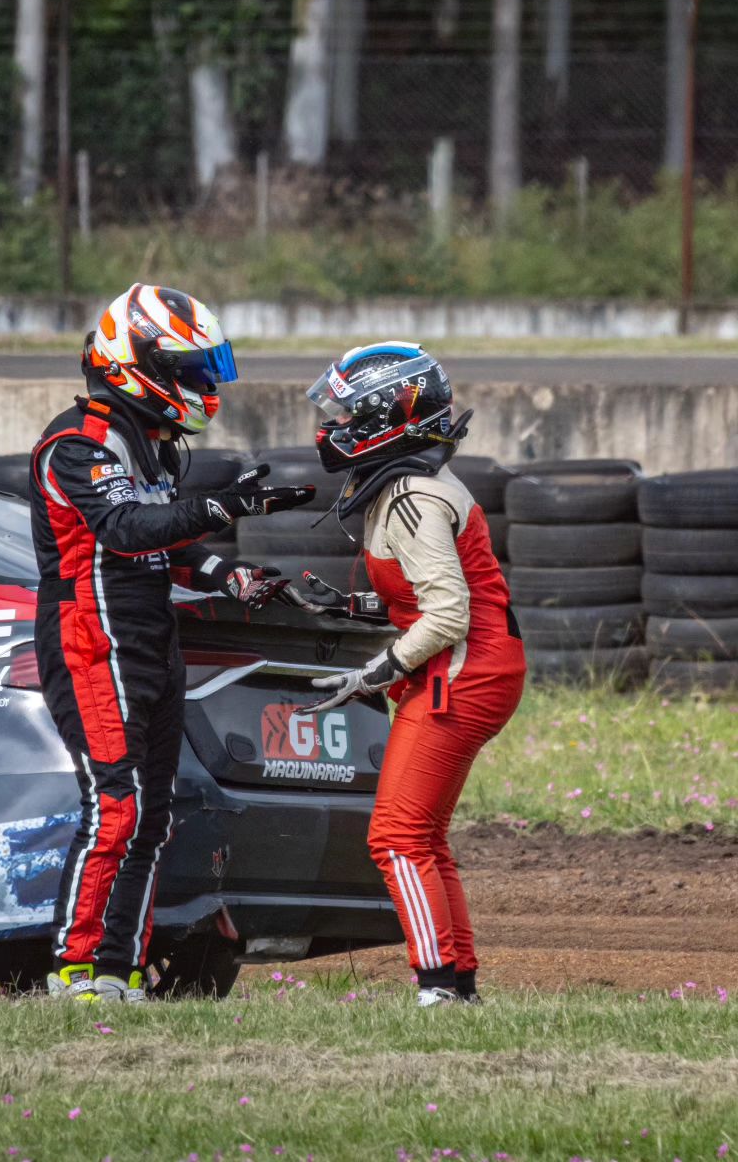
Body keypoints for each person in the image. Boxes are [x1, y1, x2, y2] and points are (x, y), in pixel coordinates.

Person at [29, 283, 315, 1003]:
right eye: (188, 369)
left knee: (152, 817)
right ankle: (72, 970)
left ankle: (118, 973)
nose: (201, 385)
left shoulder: (149, 448)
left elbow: (160, 550)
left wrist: (229, 574)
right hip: (93, 647)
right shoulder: (76, 445)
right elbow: (125, 530)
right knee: (116, 810)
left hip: (151, 643)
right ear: (134, 364)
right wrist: (226, 506)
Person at [286, 341, 525, 1007]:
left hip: (463, 671)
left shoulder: (412, 495)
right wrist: (354, 605)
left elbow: (447, 614)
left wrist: (371, 674)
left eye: (346, 414)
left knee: (395, 835)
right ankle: (457, 982)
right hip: (476, 664)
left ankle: (439, 987)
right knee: (421, 836)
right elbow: (428, 598)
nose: (331, 430)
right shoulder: (412, 484)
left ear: (386, 415)